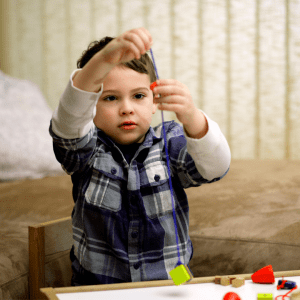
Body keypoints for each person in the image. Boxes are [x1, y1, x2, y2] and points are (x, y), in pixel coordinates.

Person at [49, 27, 231, 286]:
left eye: (138, 96)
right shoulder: (87, 150)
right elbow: (67, 124)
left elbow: (214, 168)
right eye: (110, 98)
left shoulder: (169, 142)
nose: (126, 109)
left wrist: (192, 116)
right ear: (90, 107)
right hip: (99, 287)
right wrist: (101, 62)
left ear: (155, 100)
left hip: (169, 286)